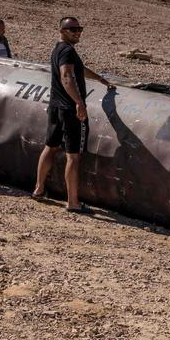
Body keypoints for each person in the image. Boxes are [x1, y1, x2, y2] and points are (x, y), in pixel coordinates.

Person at [32, 16, 114, 213]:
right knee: (73, 156)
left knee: (50, 147)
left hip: (55, 107)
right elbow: (67, 76)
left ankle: (38, 189)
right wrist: (79, 103)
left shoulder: (59, 49)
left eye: (79, 29)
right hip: (69, 110)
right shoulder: (67, 51)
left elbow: (79, 70)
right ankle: (73, 202)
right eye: (73, 29)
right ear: (62, 31)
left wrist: (101, 79)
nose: (77, 32)